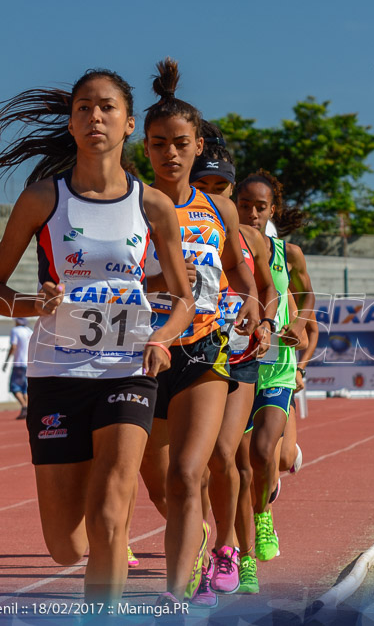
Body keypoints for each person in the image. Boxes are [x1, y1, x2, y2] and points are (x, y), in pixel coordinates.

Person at [0, 68, 195, 604]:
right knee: (66, 545)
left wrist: (162, 338)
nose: (95, 116)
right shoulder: (43, 199)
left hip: (129, 370)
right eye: (84, 108)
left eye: (107, 107)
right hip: (57, 372)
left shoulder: (152, 206)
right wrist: (33, 303)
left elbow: (184, 300)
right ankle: (98, 553)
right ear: (71, 124)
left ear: (129, 124)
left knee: (108, 518)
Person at [136, 58, 259, 608]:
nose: (170, 153)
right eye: (159, 144)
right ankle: (201, 537)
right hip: (138, 353)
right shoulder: (129, 208)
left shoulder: (219, 208)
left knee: (194, 470)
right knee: (158, 480)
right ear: (145, 148)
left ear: (198, 146)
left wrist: (253, 302)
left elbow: (238, 271)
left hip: (204, 347)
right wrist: (166, 278)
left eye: (180, 143)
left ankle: (188, 582)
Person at [189, 124, 278, 596]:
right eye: (202, 188)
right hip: (196, 350)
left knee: (226, 454)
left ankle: (233, 553)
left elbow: (266, 287)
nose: (212, 197)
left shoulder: (250, 239)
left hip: (239, 354)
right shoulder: (177, 223)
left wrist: (264, 323)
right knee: (193, 467)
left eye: (220, 189)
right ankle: (201, 547)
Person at [233, 170, 314, 590]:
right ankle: (239, 555)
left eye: (259, 206)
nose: (250, 212)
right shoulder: (225, 246)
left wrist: (298, 324)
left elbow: (307, 296)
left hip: (278, 365)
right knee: (239, 467)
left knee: (265, 453)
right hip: (236, 365)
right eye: (244, 203)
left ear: (272, 210)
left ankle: (263, 518)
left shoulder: (289, 253)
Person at [3, 318, 32, 419]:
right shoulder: (29, 331)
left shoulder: (15, 331)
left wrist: (6, 361)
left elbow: (13, 346)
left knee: (14, 387)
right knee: (25, 389)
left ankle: (24, 407)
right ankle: (27, 408)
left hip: (19, 363)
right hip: (28, 363)